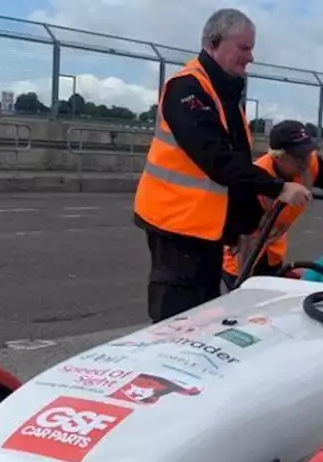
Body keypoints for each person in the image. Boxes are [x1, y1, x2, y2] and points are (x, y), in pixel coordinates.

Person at [133, 8, 312, 322]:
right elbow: (215, 158)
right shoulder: (187, 89)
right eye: (244, 48)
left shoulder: (222, 94)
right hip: (177, 226)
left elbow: (236, 164)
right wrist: (277, 187)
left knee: (201, 316)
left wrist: (242, 227)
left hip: (203, 230)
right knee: (175, 321)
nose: (251, 57)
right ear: (214, 43)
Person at [223, 120, 323, 285]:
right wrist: (244, 285)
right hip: (243, 260)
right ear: (277, 157)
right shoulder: (254, 183)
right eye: (298, 157)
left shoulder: (311, 164)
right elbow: (245, 241)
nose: (305, 161)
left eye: (308, 153)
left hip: (273, 253)